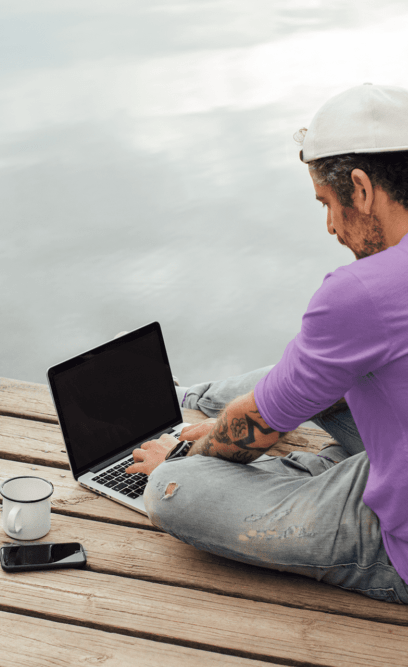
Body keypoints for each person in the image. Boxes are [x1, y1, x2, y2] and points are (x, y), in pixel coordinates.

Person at [125, 83, 408, 604]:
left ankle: (190, 422)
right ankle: (192, 397)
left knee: (174, 494)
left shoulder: (365, 291)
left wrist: (180, 455)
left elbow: (249, 435)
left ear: (362, 190)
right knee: (316, 375)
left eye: (327, 203)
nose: (330, 227)